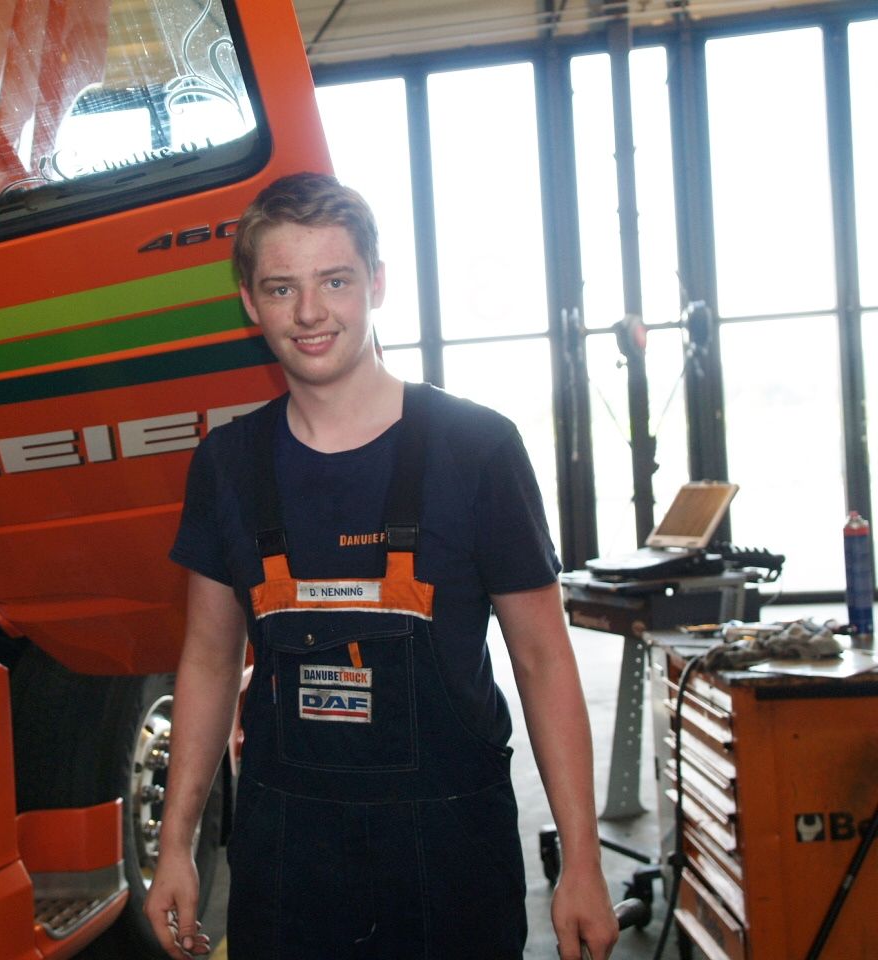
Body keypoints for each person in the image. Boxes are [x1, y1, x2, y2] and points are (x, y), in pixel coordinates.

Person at [144, 171, 619, 960]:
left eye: (335, 280)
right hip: (287, 855)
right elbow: (208, 659)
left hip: (450, 851)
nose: (310, 312)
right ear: (250, 302)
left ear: (377, 283)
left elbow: (543, 658)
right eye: (283, 287)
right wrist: (175, 846)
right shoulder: (228, 465)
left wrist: (583, 862)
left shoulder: (478, 449)